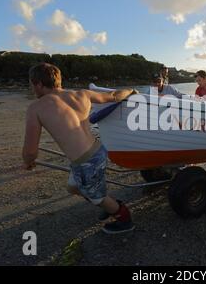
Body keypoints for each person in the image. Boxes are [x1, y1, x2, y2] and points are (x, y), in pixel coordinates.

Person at [22, 63, 136, 234]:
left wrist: (28, 162)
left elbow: (31, 151)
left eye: (31, 84)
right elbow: (113, 95)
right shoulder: (81, 94)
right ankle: (107, 202)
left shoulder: (36, 108)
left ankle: (124, 218)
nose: (32, 89)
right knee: (73, 188)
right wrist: (130, 91)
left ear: (38, 83)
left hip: (85, 162)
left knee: (96, 197)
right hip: (98, 150)